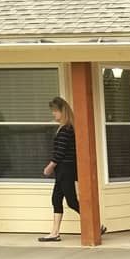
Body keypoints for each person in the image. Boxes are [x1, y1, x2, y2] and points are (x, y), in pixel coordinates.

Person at [38, 97, 80, 242]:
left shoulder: (66, 129)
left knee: (72, 201)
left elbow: (60, 152)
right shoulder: (64, 127)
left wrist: (50, 166)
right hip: (63, 169)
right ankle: (55, 233)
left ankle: (96, 224)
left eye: (55, 111)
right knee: (56, 198)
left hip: (65, 169)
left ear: (63, 111)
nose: (53, 114)